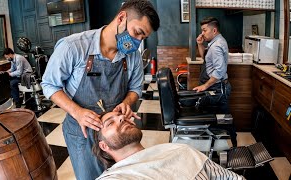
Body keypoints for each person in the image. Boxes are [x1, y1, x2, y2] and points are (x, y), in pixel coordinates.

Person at [41, 0, 160, 179]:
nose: (137, 42)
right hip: (82, 132)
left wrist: (127, 103)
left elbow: (135, 88)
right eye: (137, 33)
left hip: (115, 133)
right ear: (121, 18)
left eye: (143, 38)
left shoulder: (131, 55)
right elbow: (49, 85)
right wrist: (78, 112)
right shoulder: (73, 46)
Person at [93, 111, 245, 180]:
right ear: (104, 146)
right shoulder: (118, 176)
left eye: (121, 116)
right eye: (110, 123)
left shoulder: (179, 149)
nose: (121, 118)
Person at [193, 17, 237, 147]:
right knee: (221, 117)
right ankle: (215, 143)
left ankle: (231, 144)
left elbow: (219, 71)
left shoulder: (217, 46)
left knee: (224, 118)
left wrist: (205, 86)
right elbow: (205, 58)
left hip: (217, 89)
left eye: (204, 30)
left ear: (214, 30)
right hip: (216, 87)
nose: (202, 33)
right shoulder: (214, 42)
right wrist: (200, 44)